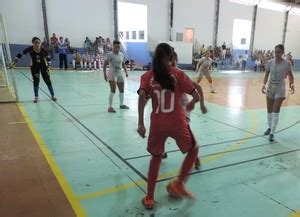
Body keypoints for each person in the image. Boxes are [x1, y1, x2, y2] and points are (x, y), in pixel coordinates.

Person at [137, 43, 200, 210]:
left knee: (156, 157)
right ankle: (179, 183)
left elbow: (142, 96)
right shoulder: (178, 74)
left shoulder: (147, 76)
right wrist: (193, 103)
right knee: (193, 150)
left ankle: (150, 198)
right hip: (177, 122)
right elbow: (196, 95)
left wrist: (141, 123)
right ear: (172, 58)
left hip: (157, 124)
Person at [162, 51, 207, 170]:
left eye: (173, 60)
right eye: (168, 60)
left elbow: (198, 87)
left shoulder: (180, 74)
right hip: (171, 109)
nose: (171, 63)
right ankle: (160, 150)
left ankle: (195, 157)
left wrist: (201, 104)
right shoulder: (163, 75)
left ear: (176, 61)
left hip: (183, 108)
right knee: (164, 129)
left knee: (185, 133)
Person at [262, 44, 295, 142]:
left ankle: (272, 133)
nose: (276, 54)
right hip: (270, 88)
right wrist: (263, 84)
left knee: (276, 111)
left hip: (280, 90)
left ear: (282, 53)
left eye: (279, 52)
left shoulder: (287, 63)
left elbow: (291, 76)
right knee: (269, 111)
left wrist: (292, 85)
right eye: (275, 52)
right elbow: (266, 75)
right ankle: (269, 127)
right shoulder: (269, 62)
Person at [9, 37, 57, 103]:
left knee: (48, 81)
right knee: (36, 81)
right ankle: (36, 97)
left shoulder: (43, 50)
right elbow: (20, 54)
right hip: (34, 67)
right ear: (33, 43)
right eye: (36, 43)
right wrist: (15, 61)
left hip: (43, 66)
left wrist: (49, 65)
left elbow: (47, 57)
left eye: (39, 43)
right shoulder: (29, 49)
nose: (37, 44)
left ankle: (53, 96)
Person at [103, 40, 129, 112]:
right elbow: (105, 64)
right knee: (113, 90)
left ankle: (121, 104)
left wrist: (126, 72)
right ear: (113, 46)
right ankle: (110, 107)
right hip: (112, 72)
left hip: (120, 72)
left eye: (118, 47)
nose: (117, 48)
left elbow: (123, 64)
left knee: (122, 90)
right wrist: (105, 74)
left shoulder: (121, 54)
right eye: (116, 47)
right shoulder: (109, 54)